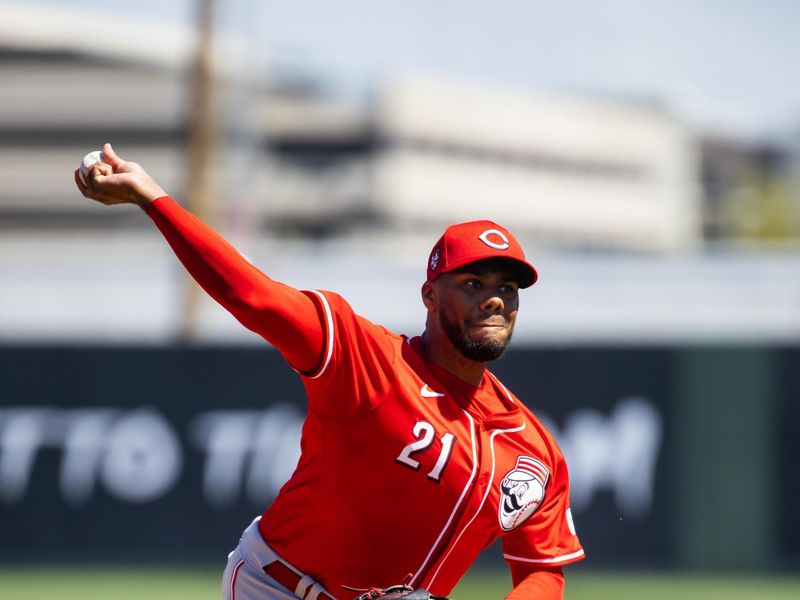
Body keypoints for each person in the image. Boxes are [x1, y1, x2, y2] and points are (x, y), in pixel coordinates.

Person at [75, 143, 584, 600]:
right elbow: (252, 295)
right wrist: (152, 199)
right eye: (472, 283)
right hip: (278, 588)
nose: (494, 298)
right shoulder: (365, 358)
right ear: (430, 295)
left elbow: (542, 571)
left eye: (508, 289)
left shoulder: (534, 451)